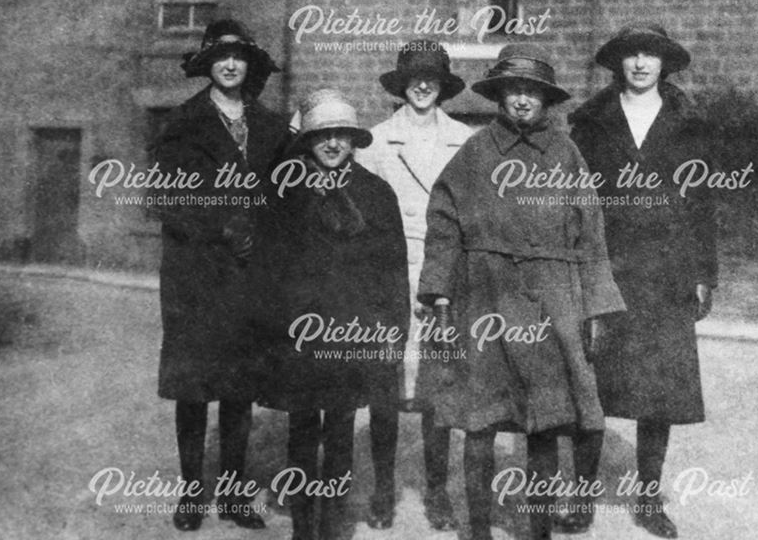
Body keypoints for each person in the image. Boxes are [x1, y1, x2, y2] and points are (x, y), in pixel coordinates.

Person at [418, 44, 625, 540]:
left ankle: (537, 529)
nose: (523, 101)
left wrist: (595, 307)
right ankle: (479, 529)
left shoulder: (566, 154)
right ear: (499, 96)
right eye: (514, 90)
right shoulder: (474, 153)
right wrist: (440, 295)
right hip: (484, 296)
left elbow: (591, 234)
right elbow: (444, 225)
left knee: (547, 422)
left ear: (546, 99)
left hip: (552, 299)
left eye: (533, 91)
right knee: (480, 421)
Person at [567, 24, 718, 539]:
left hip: (667, 270)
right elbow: (575, 199)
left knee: (662, 391)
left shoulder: (688, 123)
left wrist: (704, 273)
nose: (639, 64)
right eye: (630, 55)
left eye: (650, 55)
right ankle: (581, 497)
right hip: (606, 266)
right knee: (593, 385)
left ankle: (648, 499)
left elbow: (702, 202)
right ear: (617, 63)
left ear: (664, 64)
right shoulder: (589, 121)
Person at [153, 19, 288, 532]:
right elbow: (166, 199)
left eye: (239, 57)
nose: (230, 65)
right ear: (207, 65)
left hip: (252, 276)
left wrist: (263, 232)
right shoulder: (183, 124)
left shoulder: (272, 129)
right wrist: (222, 223)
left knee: (238, 387)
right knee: (193, 385)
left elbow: (284, 197)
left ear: (250, 65)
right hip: (196, 275)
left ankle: (232, 495)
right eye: (221, 57)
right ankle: (192, 494)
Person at [263, 89, 410, 540]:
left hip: (353, 332)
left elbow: (392, 270)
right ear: (307, 140)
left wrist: (391, 332)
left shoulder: (374, 193)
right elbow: (269, 267)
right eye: (322, 136)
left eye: (341, 136)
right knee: (303, 431)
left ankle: (334, 526)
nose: (332, 145)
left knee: (342, 431)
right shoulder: (286, 192)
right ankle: (304, 528)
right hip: (301, 333)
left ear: (354, 140)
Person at [355, 39, 472, 530]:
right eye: (413, 77)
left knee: (438, 386)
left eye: (432, 78)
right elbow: (360, 214)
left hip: (443, 273)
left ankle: (437, 491)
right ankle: (383, 490)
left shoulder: (466, 141)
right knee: (386, 385)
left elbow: (471, 214)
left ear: (443, 86)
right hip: (390, 272)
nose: (422, 85)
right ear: (401, 85)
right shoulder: (377, 141)